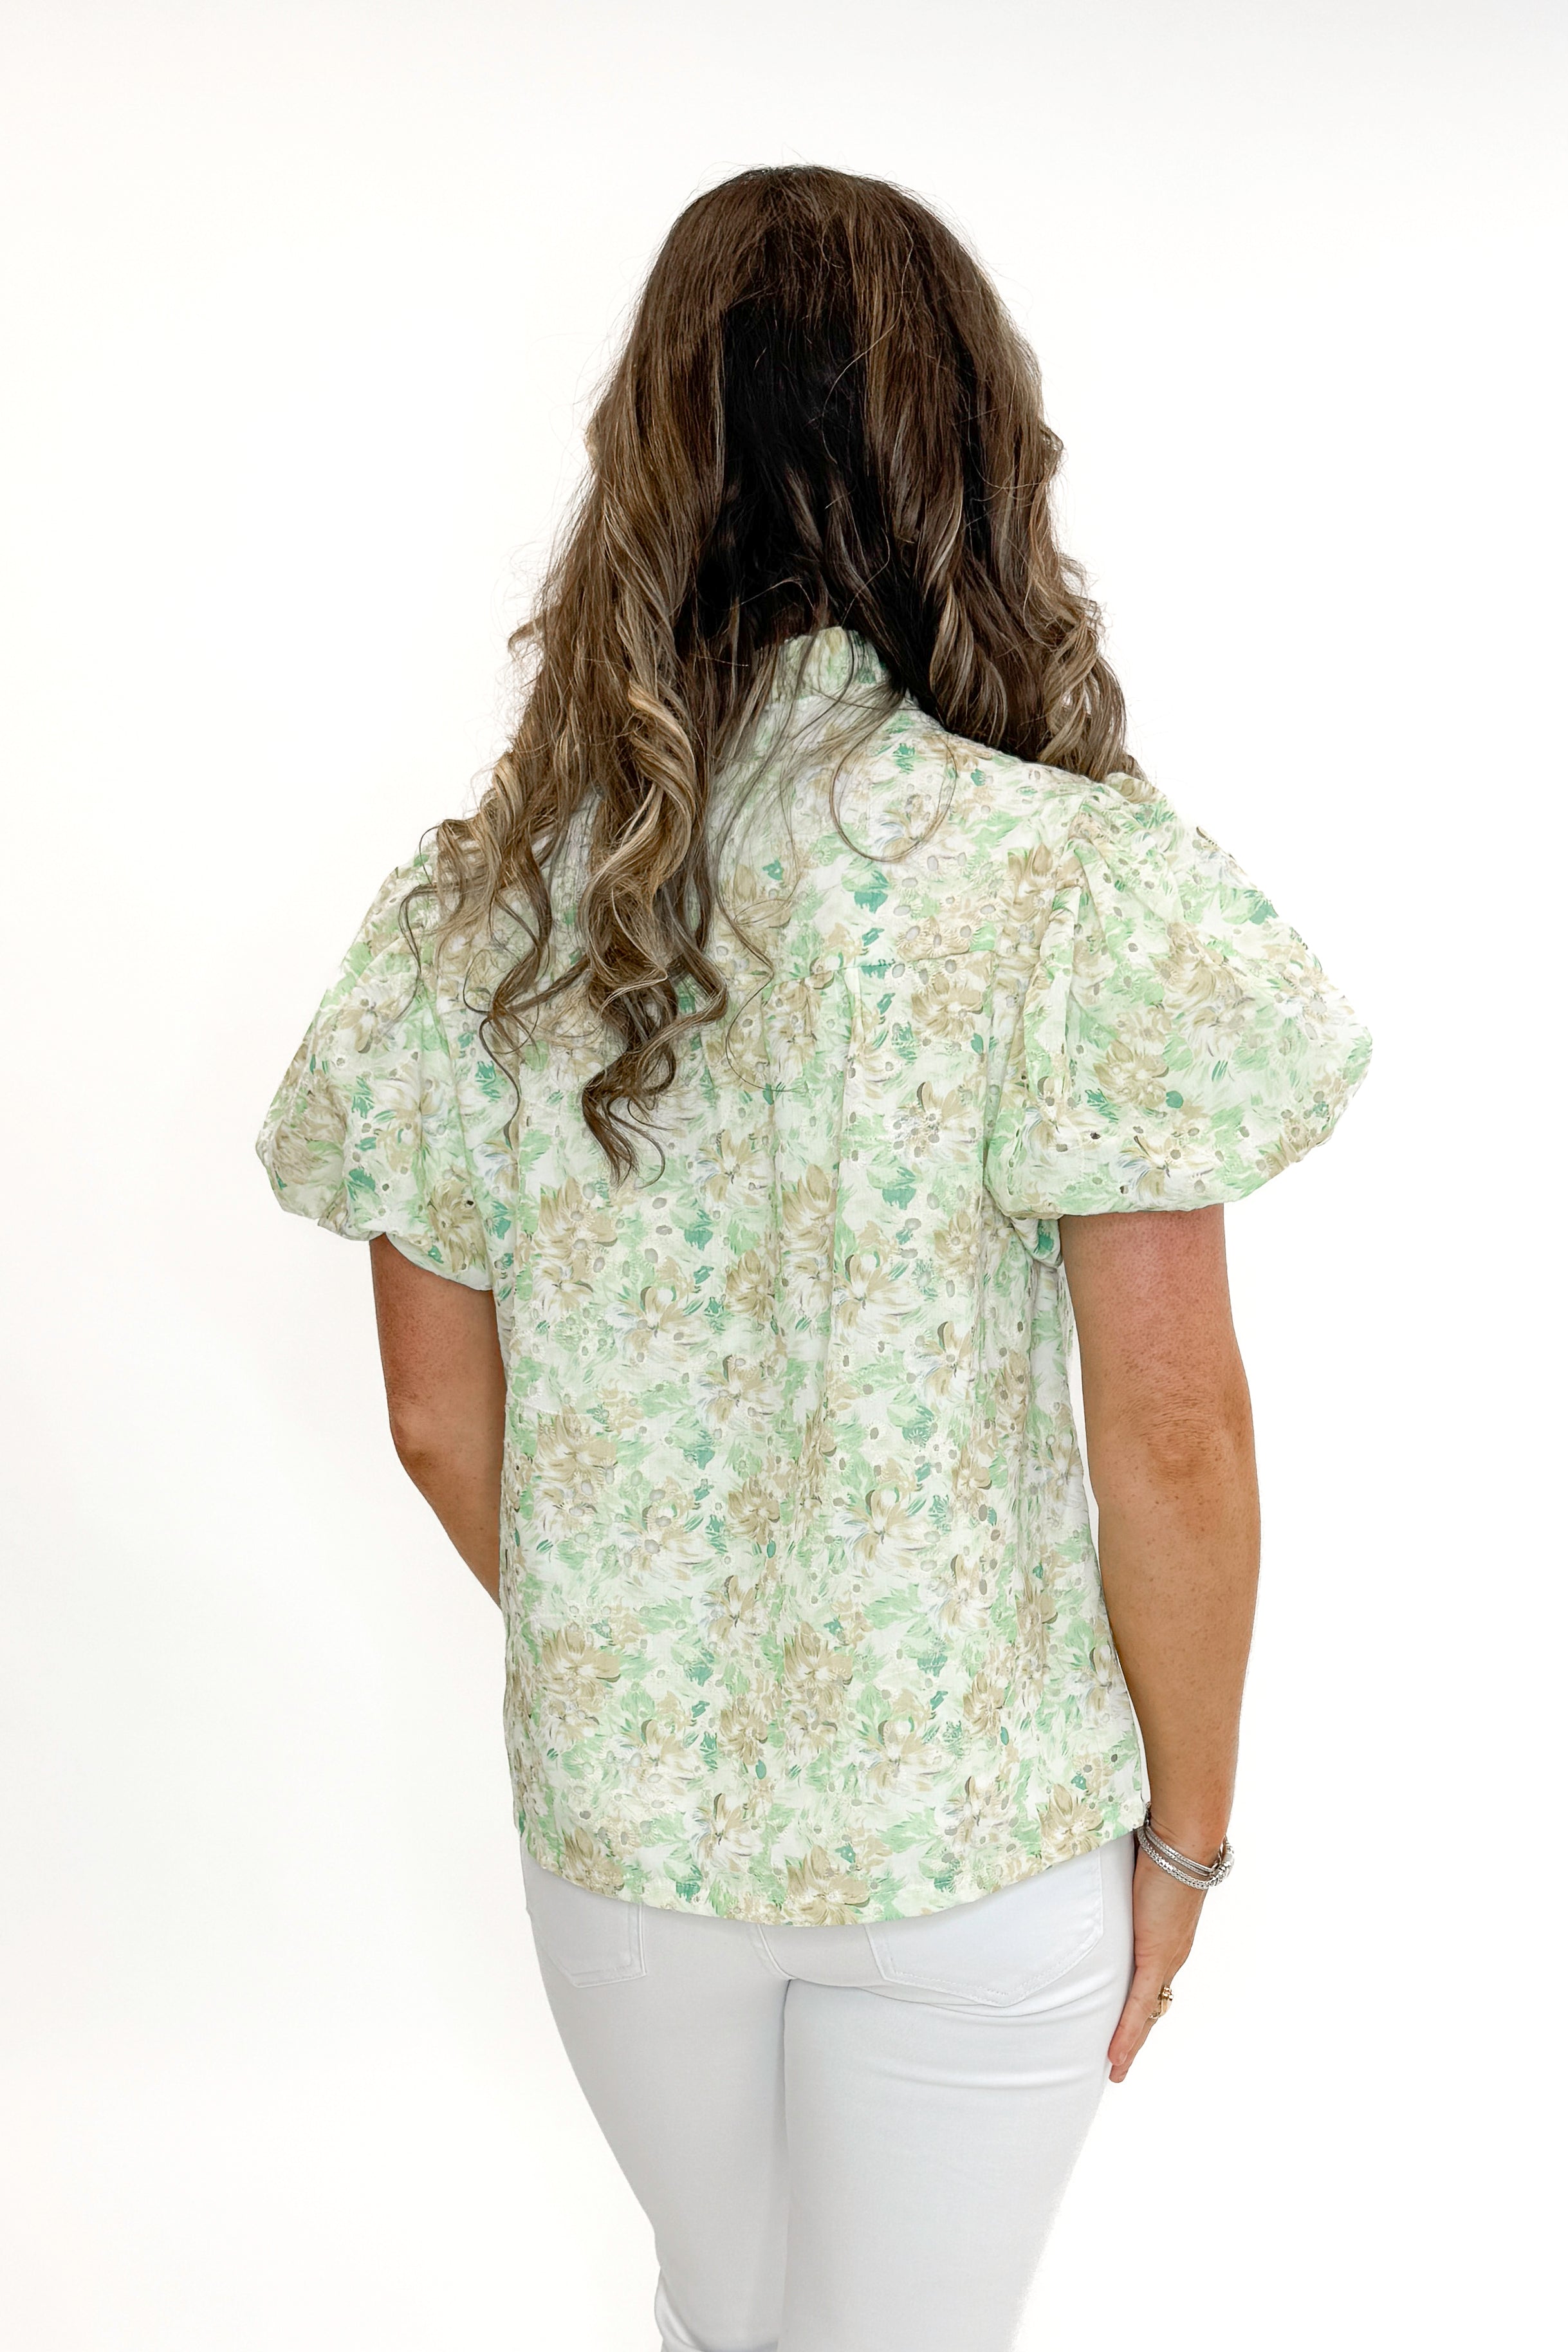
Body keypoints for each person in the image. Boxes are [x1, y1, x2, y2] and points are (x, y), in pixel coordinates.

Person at [255, 165, 1372, 2352]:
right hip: (986, 1838)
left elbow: (423, 1406)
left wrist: (653, 1636)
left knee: (720, 2316)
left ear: (647, 469)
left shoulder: (490, 906)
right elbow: (1169, 1424)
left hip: (625, 1836)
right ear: (968, 457)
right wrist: (1194, 1840)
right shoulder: (1065, 887)